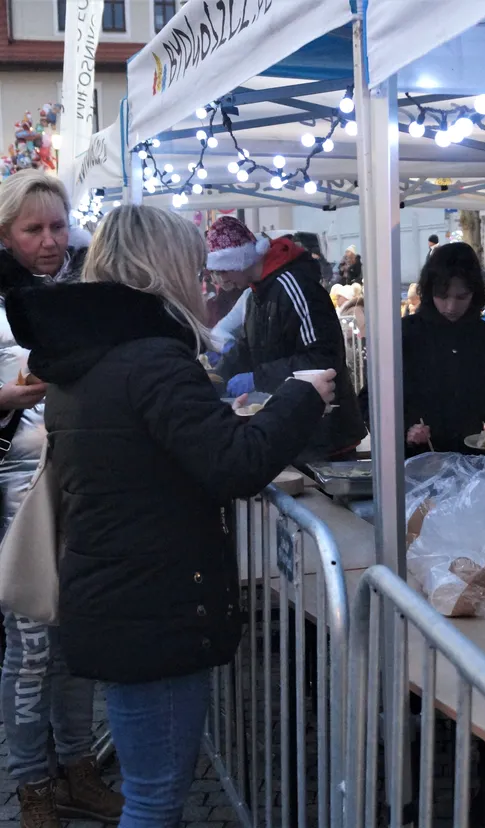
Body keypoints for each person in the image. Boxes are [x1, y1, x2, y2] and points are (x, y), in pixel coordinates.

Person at [6, 204, 335, 828]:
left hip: (126, 595)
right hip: (148, 605)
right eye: (192, 264)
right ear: (165, 267)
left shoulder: (93, 355)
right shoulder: (150, 357)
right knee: (155, 797)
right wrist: (298, 397)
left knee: (153, 790)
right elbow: (232, 463)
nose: (203, 280)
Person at [0, 171, 122, 828]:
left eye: (56, 226)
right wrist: (10, 398)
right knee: (32, 644)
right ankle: (32, 786)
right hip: (20, 490)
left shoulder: (78, 294)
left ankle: (77, 769)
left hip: (78, 480)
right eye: (32, 229)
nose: (49, 241)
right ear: (6, 233)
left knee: (75, 639)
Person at [211, 218, 366, 462]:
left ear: (238, 260)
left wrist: (258, 378)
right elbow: (247, 347)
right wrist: (217, 378)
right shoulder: (255, 295)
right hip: (292, 429)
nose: (221, 280)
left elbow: (322, 358)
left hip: (324, 433)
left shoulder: (294, 286)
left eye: (222, 270)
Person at [401, 242, 485, 455]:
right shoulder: (405, 334)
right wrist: (406, 429)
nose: (451, 307)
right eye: (442, 296)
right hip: (414, 462)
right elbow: (371, 400)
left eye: (461, 297)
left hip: (471, 461)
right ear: (429, 292)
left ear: (475, 294)